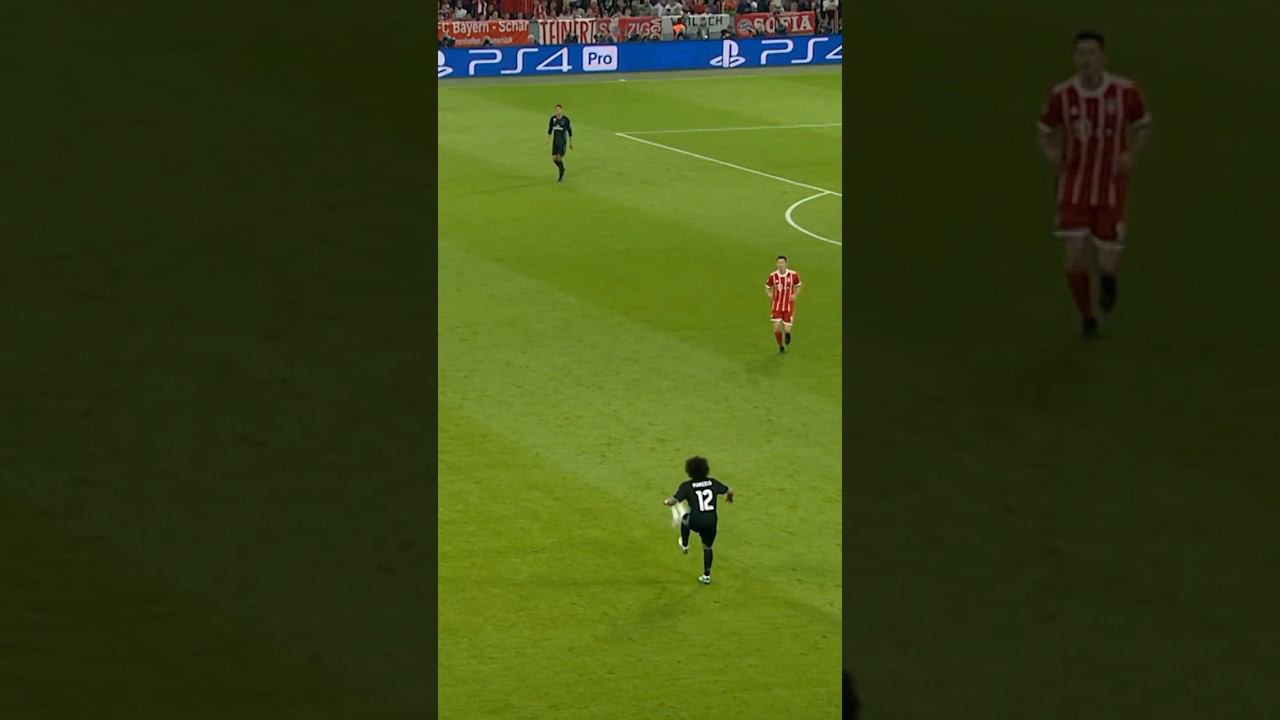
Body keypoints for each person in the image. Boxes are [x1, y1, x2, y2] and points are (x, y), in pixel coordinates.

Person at [1037, 30, 1151, 338]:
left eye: (1091, 53)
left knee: (1106, 264)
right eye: (1080, 54)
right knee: (1073, 258)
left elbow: (1143, 124)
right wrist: (1050, 151)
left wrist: (1131, 155)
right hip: (1073, 187)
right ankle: (1087, 317)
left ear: (1103, 57)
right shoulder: (1062, 94)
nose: (1085, 60)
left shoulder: (1125, 91)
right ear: (1074, 57)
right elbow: (1044, 128)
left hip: (1110, 188)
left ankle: (1109, 281)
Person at [663, 456, 734, 585]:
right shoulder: (712, 482)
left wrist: (666, 501)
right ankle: (706, 576)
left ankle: (685, 544)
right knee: (707, 547)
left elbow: (673, 501)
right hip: (711, 522)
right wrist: (729, 498)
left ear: (689, 471)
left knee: (685, 518)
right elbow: (730, 490)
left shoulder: (687, 486)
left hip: (696, 520)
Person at [765, 255, 802, 353]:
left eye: (782, 263)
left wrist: (795, 295)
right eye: (779, 263)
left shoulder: (793, 274)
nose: (780, 265)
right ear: (776, 264)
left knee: (787, 329)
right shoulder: (773, 276)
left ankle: (788, 335)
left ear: (786, 264)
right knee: (776, 328)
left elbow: (798, 285)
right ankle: (781, 346)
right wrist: (769, 294)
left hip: (788, 305)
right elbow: (767, 286)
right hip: (776, 305)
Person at [546, 104, 574, 182]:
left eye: (559, 109)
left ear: (561, 110)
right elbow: (550, 129)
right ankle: (562, 168)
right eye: (556, 109)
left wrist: (570, 143)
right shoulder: (552, 119)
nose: (557, 111)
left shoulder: (566, 120)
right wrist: (548, 139)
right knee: (554, 158)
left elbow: (569, 131)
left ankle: (561, 176)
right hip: (555, 142)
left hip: (562, 142)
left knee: (559, 157)